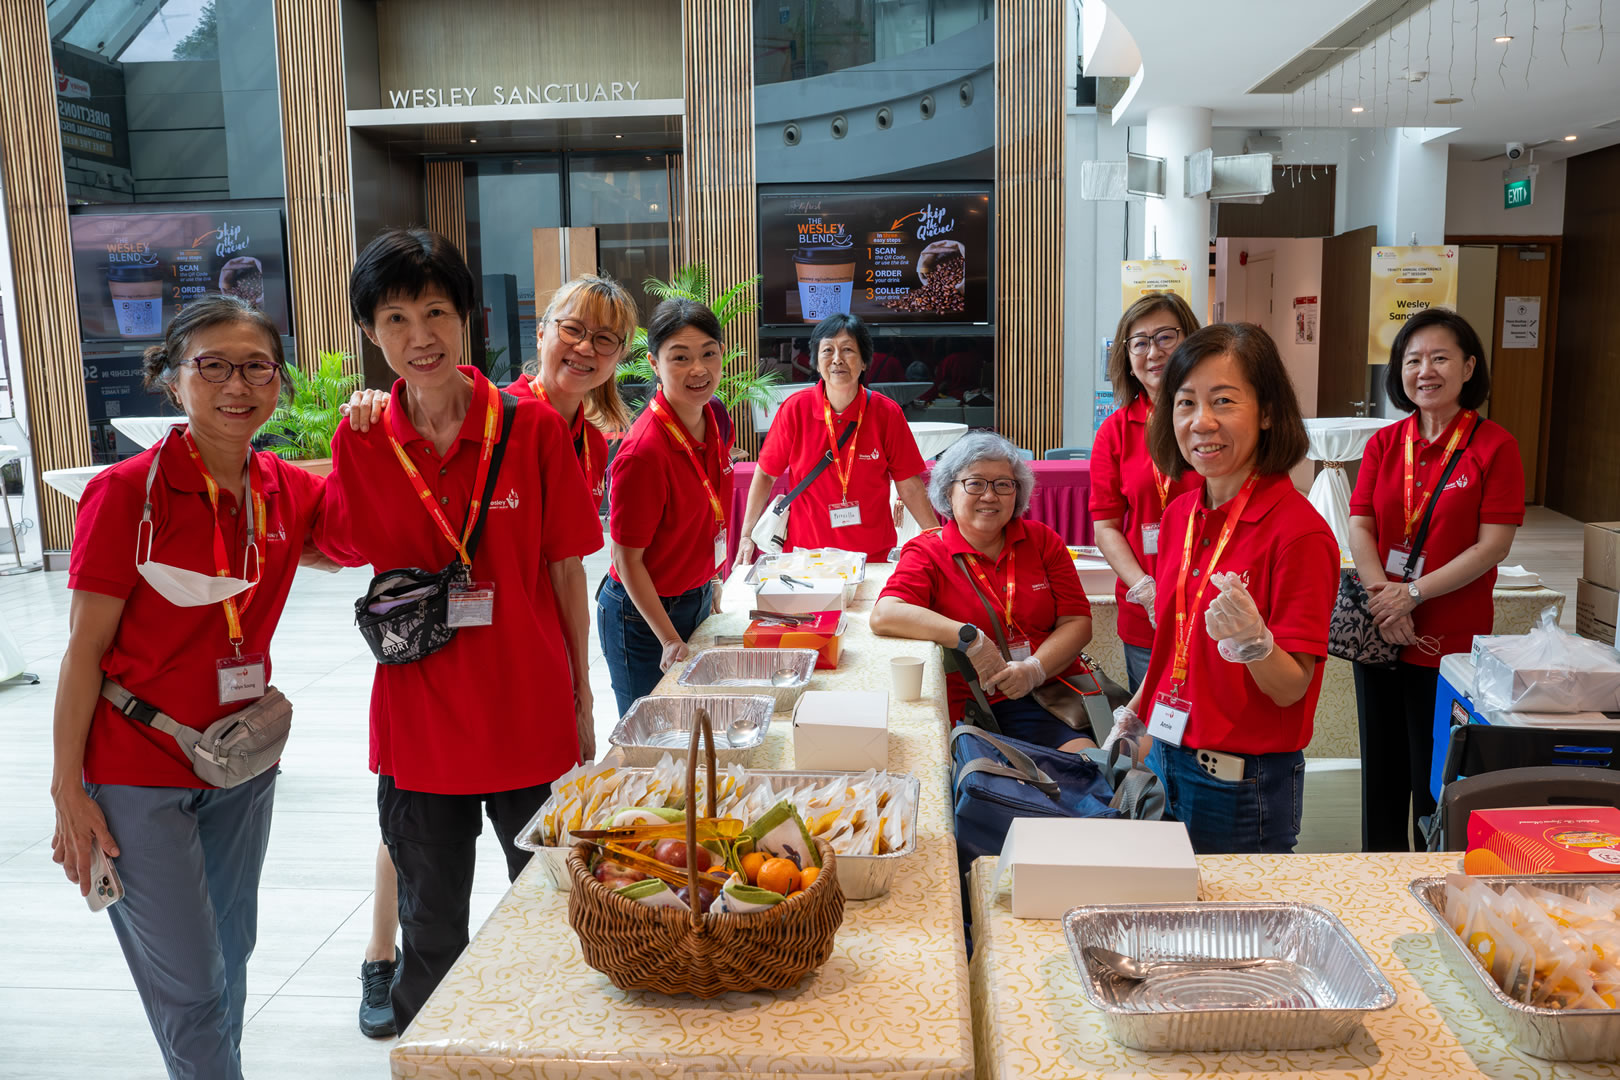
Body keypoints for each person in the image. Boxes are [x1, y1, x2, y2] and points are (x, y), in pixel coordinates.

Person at [320, 227, 602, 1034]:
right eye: (396, 319)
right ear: (371, 333)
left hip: (528, 715)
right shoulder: (364, 439)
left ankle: (547, 1048)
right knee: (432, 927)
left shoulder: (531, 429)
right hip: (421, 728)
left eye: (436, 312)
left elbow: (566, 571)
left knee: (550, 916)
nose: (421, 337)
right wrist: (357, 440)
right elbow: (343, 547)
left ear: (468, 318)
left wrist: (582, 695)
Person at [49, 295, 326, 1080]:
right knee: (193, 988)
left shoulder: (286, 491)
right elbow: (83, 651)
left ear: (278, 381)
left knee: (231, 954)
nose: (237, 386)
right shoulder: (127, 493)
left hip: (240, 762)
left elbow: (370, 517)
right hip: (137, 766)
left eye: (257, 367)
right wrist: (67, 789)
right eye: (212, 366)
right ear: (173, 380)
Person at [1109, 323, 1338, 855]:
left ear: (1267, 413)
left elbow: (1290, 689)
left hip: (1239, 784)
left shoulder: (1298, 533)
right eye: (1185, 403)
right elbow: (1174, 646)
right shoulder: (1180, 517)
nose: (1201, 422)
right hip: (1167, 756)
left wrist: (1255, 643)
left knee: (1234, 912)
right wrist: (1135, 716)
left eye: (1224, 401)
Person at [1348, 307, 1523, 852]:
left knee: (1437, 780)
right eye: (1413, 360)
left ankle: (1429, 879)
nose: (1425, 370)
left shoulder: (1494, 445)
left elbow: (1493, 546)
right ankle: (1375, 876)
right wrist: (1385, 600)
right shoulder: (1384, 443)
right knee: (1381, 774)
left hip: (1450, 641)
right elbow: (1360, 524)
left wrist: (1413, 593)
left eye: (1440, 358)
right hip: (1381, 633)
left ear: (1468, 367)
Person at [871, 432, 1095, 749]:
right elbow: (885, 614)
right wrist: (971, 639)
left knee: (1133, 752)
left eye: (1003, 484)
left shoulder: (1041, 540)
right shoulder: (928, 551)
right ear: (948, 492)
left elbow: (1077, 621)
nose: (990, 496)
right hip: (984, 706)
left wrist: (1034, 669)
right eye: (975, 483)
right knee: (1083, 762)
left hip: (1059, 690)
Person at [598, 299, 735, 713]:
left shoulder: (715, 415)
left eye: (708, 353)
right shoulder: (643, 453)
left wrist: (710, 579)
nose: (699, 369)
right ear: (654, 364)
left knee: (697, 722)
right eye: (680, 357)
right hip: (642, 618)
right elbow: (626, 560)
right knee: (653, 731)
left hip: (695, 597)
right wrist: (668, 638)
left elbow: (705, 514)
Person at [736, 313, 937, 567]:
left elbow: (909, 483)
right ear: (816, 362)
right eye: (827, 350)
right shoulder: (795, 409)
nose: (837, 359)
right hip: (806, 555)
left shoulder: (886, 413)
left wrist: (935, 535)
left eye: (848, 349)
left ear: (864, 362)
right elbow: (766, 474)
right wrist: (746, 536)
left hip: (872, 557)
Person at [1090, 292, 1203, 691]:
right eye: (1139, 342)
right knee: (1156, 719)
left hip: (1212, 605)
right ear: (1127, 356)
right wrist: (1146, 590)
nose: (1153, 352)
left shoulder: (1211, 421)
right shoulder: (1114, 432)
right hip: (1146, 612)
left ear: (1190, 340)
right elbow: (1106, 526)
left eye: (1165, 337)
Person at [510, 273, 638, 499]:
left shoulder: (595, 445)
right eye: (571, 329)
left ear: (618, 356)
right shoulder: (497, 420)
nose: (585, 348)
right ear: (541, 335)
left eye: (605, 339)